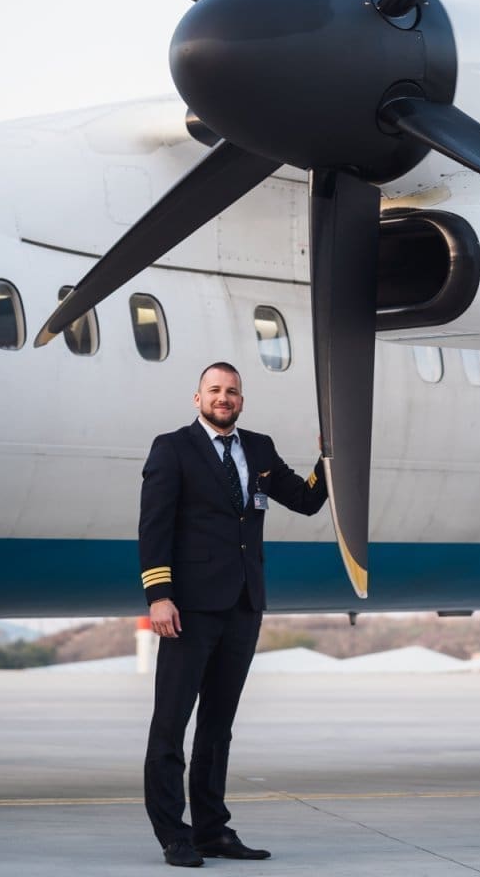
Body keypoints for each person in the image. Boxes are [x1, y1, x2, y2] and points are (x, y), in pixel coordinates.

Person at [139, 360, 328, 867]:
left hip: (244, 605)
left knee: (218, 727)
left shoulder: (259, 448)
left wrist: (330, 457)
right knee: (170, 725)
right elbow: (154, 527)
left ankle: (211, 830)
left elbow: (306, 500)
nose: (223, 398)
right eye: (215, 390)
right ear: (197, 398)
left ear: (241, 401)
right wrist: (159, 595)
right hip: (188, 609)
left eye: (232, 392)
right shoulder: (172, 448)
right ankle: (173, 835)